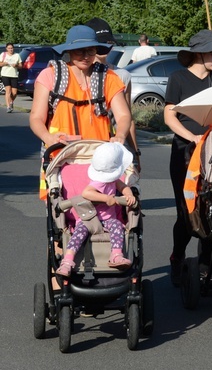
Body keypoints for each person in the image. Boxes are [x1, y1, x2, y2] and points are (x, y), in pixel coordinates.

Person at [164, 30, 212, 286]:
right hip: (185, 152)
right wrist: (192, 138)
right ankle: (177, 255)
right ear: (200, 54)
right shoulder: (178, 78)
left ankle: (205, 268)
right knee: (187, 213)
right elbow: (169, 116)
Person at [30, 25, 131, 151]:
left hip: (99, 155)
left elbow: (123, 115)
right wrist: (47, 137)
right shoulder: (50, 75)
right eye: (80, 51)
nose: (86, 56)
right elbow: (36, 117)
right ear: (69, 51)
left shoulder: (108, 77)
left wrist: (120, 135)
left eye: (91, 51)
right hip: (60, 153)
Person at [55, 142, 136, 276]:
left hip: (108, 219)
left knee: (117, 226)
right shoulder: (99, 181)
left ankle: (116, 255)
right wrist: (106, 198)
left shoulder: (114, 180)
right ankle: (67, 261)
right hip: (89, 218)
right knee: (78, 235)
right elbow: (87, 193)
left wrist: (129, 194)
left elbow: (123, 187)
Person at [86, 17, 141, 171]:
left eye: (109, 42)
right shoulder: (76, 74)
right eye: (101, 42)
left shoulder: (122, 75)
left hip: (114, 146)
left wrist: (135, 153)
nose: (106, 47)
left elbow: (127, 118)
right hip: (84, 146)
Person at [1, 43, 21, 112]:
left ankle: (11, 101)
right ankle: (8, 107)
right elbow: (0, 64)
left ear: (13, 48)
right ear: (6, 49)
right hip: (5, 74)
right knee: (8, 90)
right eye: (9, 48)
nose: (10, 49)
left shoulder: (17, 55)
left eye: (11, 48)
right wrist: (4, 63)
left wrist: (16, 65)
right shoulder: (3, 55)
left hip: (14, 75)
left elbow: (21, 65)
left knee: (14, 92)